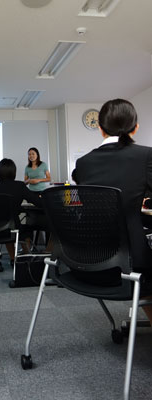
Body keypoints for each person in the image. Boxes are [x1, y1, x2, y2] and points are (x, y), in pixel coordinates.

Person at [72, 98, 152, 324]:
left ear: (100, 129)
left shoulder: (83, 163)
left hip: (88, 260)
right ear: (135, 127)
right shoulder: (146, 156)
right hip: (133, 264)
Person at [0, 158, 43, 261]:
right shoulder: (19, 186)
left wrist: (18, 208)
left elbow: (0, 210)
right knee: (27, 228)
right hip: (13, 229)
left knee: (9, 224)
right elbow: (38, 202)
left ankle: (13, 258)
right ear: (13, 172)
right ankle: (26, 254)